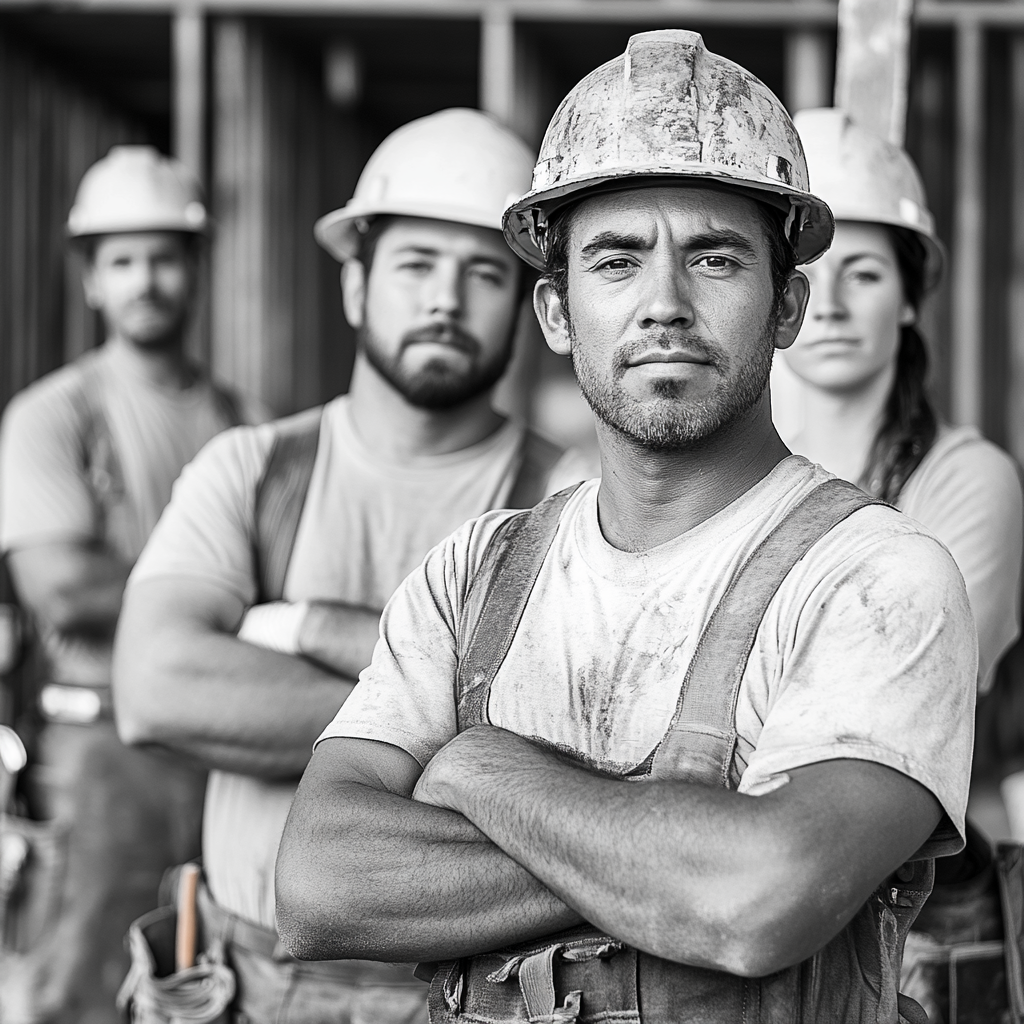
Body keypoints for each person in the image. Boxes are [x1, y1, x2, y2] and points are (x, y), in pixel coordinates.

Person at [276, 31, 977, 1024]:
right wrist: (671, 855)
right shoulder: (474, 573)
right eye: (616, 259)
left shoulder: (876, 578)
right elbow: (317, 882)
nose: (663, 304)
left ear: (786, 304)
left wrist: (481, 772)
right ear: (556, 310)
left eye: (713, 257)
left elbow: (754, 902)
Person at [112, 108, 587, 1024]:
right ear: (356, 286)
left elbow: (579, 750)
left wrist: (297, 631)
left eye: (484, 273)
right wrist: (455, 730)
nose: (445, 300)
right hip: (244, 979)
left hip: (472, 990)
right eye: (415, 266)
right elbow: (155, 686)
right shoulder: (254, 471)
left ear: (534, 305)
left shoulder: (569, 504)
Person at [0, 146, 260, 1024]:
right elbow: (62, 588)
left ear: (195, 268)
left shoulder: (243, 423)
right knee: (77, 994)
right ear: (90, 280)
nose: (145, 279)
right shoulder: (53, 416)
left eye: (163, 256)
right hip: (100, 754)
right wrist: (225, 594)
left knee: (208, 987)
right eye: (122, 260)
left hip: (221, 750)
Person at [776, 107, 1023, 697]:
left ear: (909, 301)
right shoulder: (725, 470)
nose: (830, 305)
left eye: (863, 275)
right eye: (808, 276)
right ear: (777, 296)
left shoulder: (966, 479)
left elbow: (914, 689)